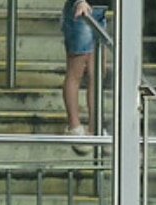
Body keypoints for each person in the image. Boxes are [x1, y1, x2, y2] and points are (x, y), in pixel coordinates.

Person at [61, 0, 111, 154]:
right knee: (76, 70)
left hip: (100, 10)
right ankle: (74, 126)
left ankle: (95, 127)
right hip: (81, 10)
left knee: (97, 72)